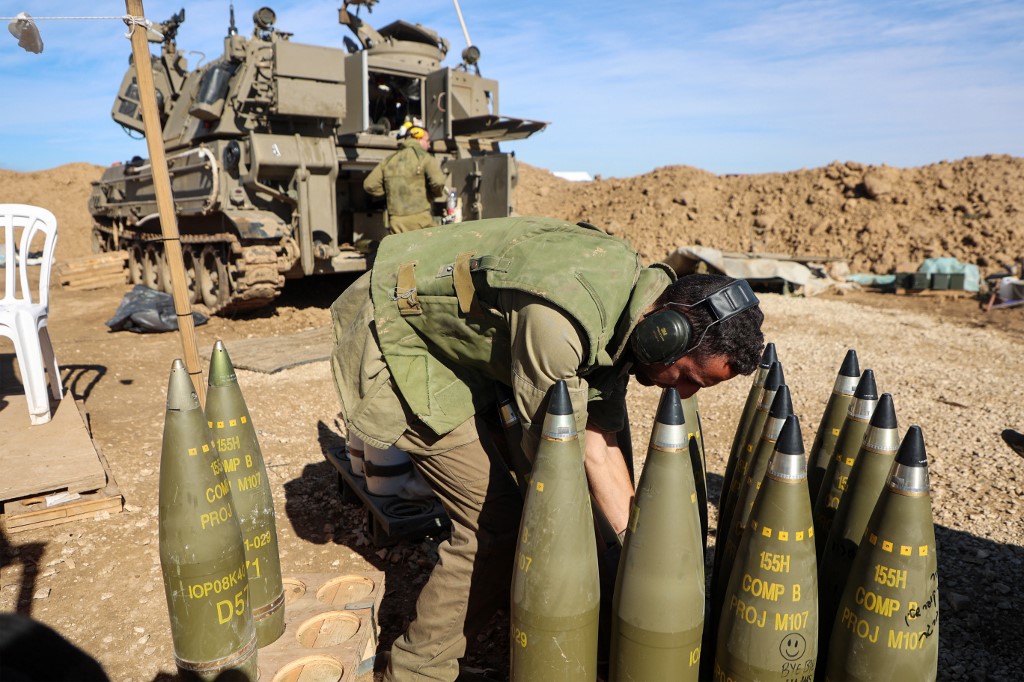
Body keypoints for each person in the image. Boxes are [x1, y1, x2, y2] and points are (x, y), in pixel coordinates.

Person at [330, 216, 765, 681]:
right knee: (495, 524)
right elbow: (558, 471)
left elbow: (598, 442)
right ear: (666, 334)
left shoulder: (633, 304)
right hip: (399, 341)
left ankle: (492, 603)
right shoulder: (558, 326)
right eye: (688, 378)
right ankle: (419, 671)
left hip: (464, 341)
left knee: (537, 503)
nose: (682, 395)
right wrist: (598, 557)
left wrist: (638, 552)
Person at [363, 123, 448, 233]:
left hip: (396, 221)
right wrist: (434, 194)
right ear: (419, 138)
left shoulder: (389, 160)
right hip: (421, 219)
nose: (429, 145)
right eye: (427, 141)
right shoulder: (425, 158)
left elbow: (369, 184)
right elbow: (439, 182)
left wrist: (390, 193)